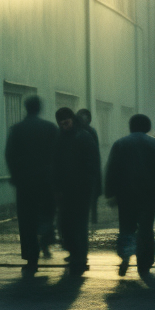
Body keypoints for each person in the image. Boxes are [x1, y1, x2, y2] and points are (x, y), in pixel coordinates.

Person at [104, 113, 155, 276]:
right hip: (148, 195)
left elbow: (111, 169)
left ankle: (125, 256)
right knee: (146, 229)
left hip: (125, 195)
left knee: (127, 227)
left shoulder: (120, 144)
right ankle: (145, 263)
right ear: (147, 127)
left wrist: (110, 193)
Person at [5, 96, 58, 274]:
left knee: (27, 220)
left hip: (25, 181)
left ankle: (31, 258)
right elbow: (59, 154)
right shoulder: (50, 128)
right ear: (40, 108)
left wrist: (15, 175)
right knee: (47, 213)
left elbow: (10, 155)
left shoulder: (18, 129)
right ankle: (46, 236)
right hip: (47, 180)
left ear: (26, 108)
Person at [54, 107, 97, 276]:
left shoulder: (82, 137)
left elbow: (91, 165)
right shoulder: (79, 137)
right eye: (62, 124)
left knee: (77, 225)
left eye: (67, 122)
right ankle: (76, 256)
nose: (65, 126)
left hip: (79, 191)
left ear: (72, 120)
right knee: (69, 225)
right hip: (68, 190)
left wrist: (87, 187)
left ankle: (79, 258)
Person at [76, 108, 103, 224]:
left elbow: (96, 151)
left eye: (86, 117)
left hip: (90, 167)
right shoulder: (75, 131)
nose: (84, 119)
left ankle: (93, 217)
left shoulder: (92, 131)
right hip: (79, 168)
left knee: (92, 195)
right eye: (82, 117)